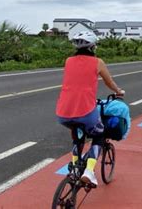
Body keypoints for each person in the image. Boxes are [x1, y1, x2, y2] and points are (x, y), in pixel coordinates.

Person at [56, 31, 125, 187]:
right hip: (85, 111)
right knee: (99, 134)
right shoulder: (98, 62)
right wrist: (118, 91)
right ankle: (89, 171)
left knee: (77, 137)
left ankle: (74, 169)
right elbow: (109, 82)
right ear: (93, 46)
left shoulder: (68, 61)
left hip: (63, 112)